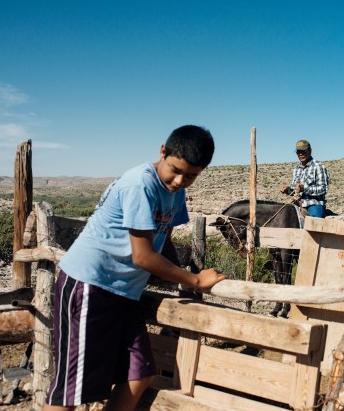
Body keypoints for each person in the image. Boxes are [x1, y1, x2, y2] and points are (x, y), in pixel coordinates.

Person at [42, 125, 227, 411]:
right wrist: (194, 280)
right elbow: (143, 256)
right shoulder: (140, 183)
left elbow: (161, 239)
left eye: (190, 175)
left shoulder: (173, 190)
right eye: (175, 170)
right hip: (90, 284)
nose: (179, 181)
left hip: (124, 292)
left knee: (139, 373)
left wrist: (177, 279)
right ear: (162, 151)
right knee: (70, 392)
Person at [280, 139, 330, 218]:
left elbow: (323, 189)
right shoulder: (296, 168)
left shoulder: (318, 166)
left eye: (303, 151)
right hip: (297, 203)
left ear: (310, 151)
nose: (301, 154)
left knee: (315, 224)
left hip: (314, 204)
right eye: (298, 152)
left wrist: (304, 188)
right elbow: (294, 190)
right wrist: (287, 190)